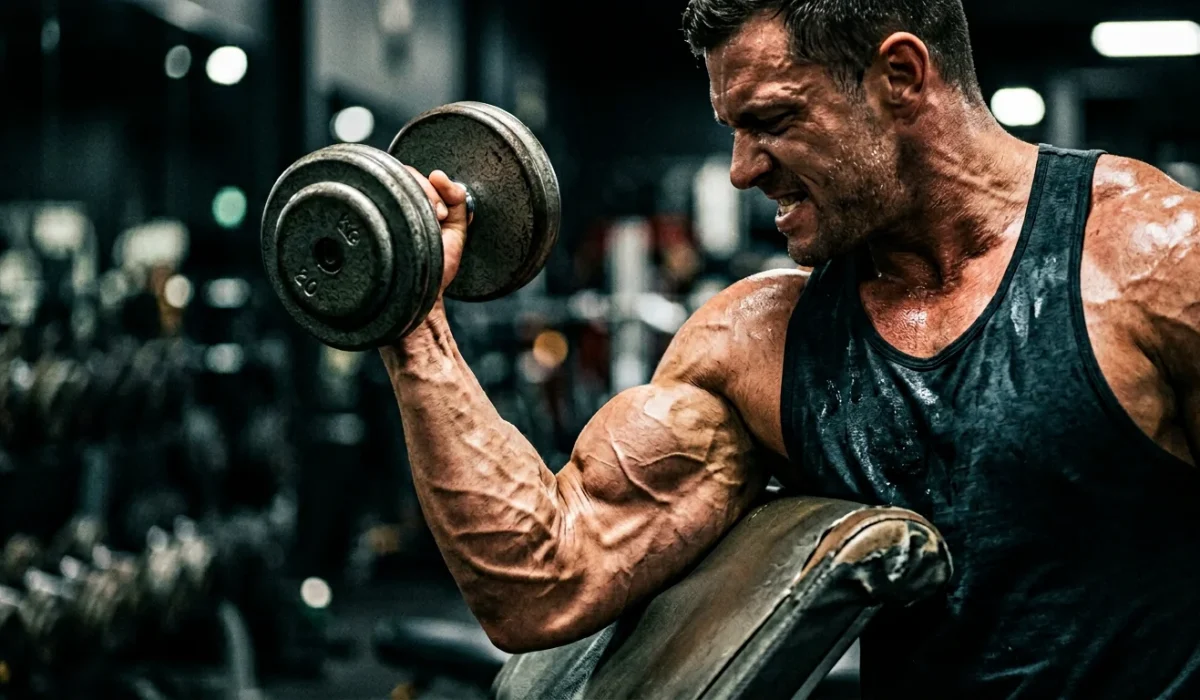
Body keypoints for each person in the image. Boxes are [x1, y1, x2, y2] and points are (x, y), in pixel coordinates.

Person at [380, 0, 1200, 696]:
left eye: (771, 122)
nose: (740, 170)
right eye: (733, 130)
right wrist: (412, 318)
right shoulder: (759, 343)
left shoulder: (1155, 262)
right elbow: (544, 580)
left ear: (901, 77)